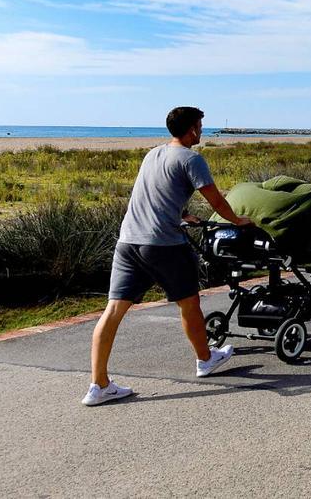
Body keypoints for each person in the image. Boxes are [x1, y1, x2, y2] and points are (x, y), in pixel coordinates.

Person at [82, 107, 253, 407]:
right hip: (163, 245)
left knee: (112, 311)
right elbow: (215, 199)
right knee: (189, 302)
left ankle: (99, 385)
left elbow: (152, 193)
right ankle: (205, 359)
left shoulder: (153, 154)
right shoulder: (191, 159)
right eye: (200, 126)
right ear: (192, 130)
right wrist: (237, 221)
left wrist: (181, 214)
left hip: (128, 241)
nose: (202, 130)